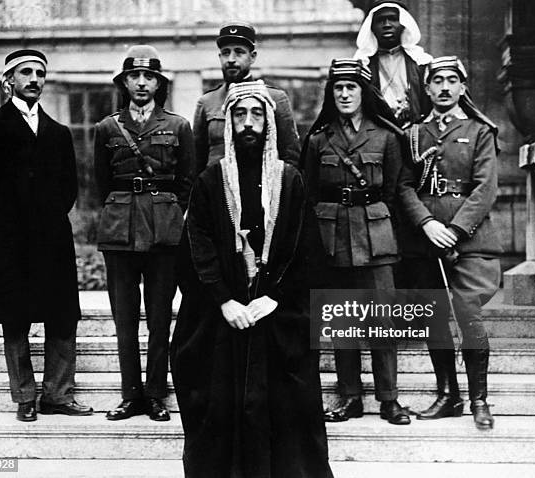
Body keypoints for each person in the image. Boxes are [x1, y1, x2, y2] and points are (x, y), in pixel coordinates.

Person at [171, 80, 333, 478]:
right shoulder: (210, 181)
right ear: (228, 123)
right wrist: (225, 301)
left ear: (269, 122)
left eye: (256, 115)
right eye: (239, 115)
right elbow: (197, 247)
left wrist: (275, 297)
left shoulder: (290, 179)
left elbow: (304, 247)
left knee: (288, 406)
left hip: (276, 315)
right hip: (224, 317)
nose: (248, 123)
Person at [0, 49, 93, 422]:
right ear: (9, 80)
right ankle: (25, 397)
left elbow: (69, 188)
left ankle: (59, 395)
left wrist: (48, 217)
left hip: (52, 239)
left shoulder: (59, 132)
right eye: (26, 73)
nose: (34, 79)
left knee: (62, 315)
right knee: (14, 317)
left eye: (40, 73)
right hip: (9, 240)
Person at [301, 58, 410, 425]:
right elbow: (311, 191)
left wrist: (378, 224)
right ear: (331, 94)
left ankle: (389, 399)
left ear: (365, 92)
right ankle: (349, 397)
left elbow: (394, 192)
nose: (345, 94)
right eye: (338, 88)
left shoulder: (388, 137)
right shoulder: (319, 139)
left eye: (352, 87)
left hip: (376, 237)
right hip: (332, 238)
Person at [397, 56, 502, 430]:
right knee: (433, 319)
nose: (444, 87)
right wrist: (425, 223)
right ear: (427, 89)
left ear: (462, 86)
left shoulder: (480, 131)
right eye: (437, 81)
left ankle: (479, 400)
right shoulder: (412, 133)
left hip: (468, 242)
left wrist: (455, 230)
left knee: (469, 316)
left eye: (451, 80)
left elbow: (486, 188)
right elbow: (404, 185)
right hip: (424, 240)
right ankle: (447, 395)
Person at [94, 45, 194, 421]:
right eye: (133, 77)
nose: (140, 83)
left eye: (148, 76)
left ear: (158, 83)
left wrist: (167, 213)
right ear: (124, 83)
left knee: (158, 318)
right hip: (119, 230)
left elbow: (187, 182)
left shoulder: (178, 126)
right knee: (123, 319)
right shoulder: (107, 127)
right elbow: (102, 183)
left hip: (163, 231)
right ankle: (129, 395)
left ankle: (155, 395)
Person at [192, 21, 300, 174]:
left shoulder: (275, 99)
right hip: (217, 190)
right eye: (225, 52)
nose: (231, 59)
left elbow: (291, 158)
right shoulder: (207, 102)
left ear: (252, 56)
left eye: (239, 52)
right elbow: (196, 162)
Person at [354, 0, 432, 128]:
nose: (387, 25)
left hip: (415, 131)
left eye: (393, 19)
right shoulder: (363, 64)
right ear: (372, 28)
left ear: (403, 24)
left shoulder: (421, 61)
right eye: (380, 20)